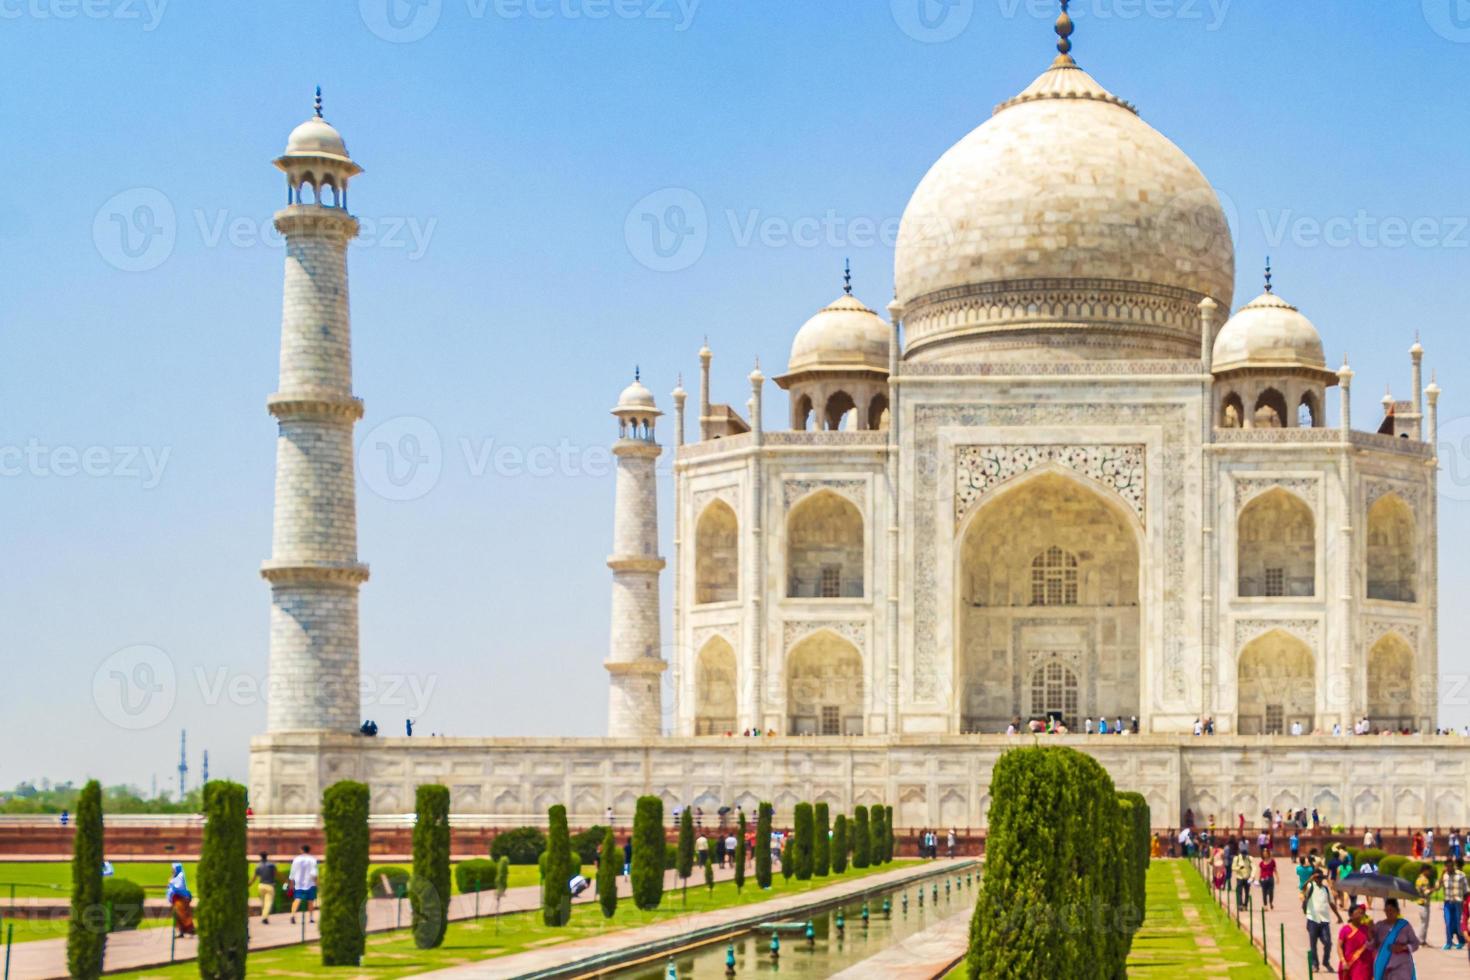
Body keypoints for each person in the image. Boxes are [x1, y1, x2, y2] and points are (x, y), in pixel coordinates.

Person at [1302, 868, 1341, 972]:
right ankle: (1315, 964)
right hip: (1312, 919)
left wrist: (1338, 916)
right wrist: (1310, 880)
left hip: (1324, 920)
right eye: (1317, 878)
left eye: (1320, 878)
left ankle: (1326, 961)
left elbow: (1332, 903)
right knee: (1313, 944)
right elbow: (1303, 888)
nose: (1319, 880)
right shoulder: (1311, 886)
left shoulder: (1325, 889)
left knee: (1328, 943)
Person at [1372, 898, 1421, 979]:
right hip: (1384, 966)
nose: (1389, 913)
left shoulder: (1404, 926)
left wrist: (1403, 948)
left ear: (1398, 911)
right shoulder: (1379, 926)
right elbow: (1372, 946)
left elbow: (1415, 944)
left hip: (1402, 966)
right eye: (1387, 910)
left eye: (1392, 910)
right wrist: (1370, 935)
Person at [1336, 903, 1373, 980]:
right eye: (1358, 912)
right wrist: (1343, 961)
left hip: (1363, 964)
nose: (1360, 914)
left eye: (1361, 913)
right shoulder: (1345, 929)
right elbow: (1339, 946)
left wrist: (1371, 927)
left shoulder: (1366, 928)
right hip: (1349, 963)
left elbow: (1371, 943)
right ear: (1351, 915)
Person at [288, 844, 318, 925]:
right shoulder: (312, 859)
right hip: (310, 883)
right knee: (310, 901)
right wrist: (316, 883)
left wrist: (291, 883)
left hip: (299, 883)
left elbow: (292, 872)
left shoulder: (296, 859)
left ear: (301, 850)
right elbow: (314, 873)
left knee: (297, 899)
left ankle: (293, 915)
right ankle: (311, 918)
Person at [1442, 858, 1468, 949]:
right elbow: (1438, 887)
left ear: (1453, 866)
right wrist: (1441, 875)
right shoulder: (1444, 875)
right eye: (1447, 866)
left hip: (1458, 903)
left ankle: (1461, 941)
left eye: (1450, 866)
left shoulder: (1461, 875)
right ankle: (1449, 942)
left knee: (1458, 923)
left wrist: (1466, 904)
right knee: (1448, 923)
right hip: (1448, 903)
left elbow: (1466, 891)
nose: (1448, 868)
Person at [166, 862, 196, 937]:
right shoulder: (174, 877)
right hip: (176, 900)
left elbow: (178, 887)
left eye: (173, 869)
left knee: (183, 915)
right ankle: (181, 931)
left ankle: (190, 931)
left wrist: (171, 882)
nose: (172, 870)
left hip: (182, 900)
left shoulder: (180, 876)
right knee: (177, 916)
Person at [248, 852, 277, 925]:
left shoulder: (258, 866)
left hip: (261, 885)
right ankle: (264, 917)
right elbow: (277, 874)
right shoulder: (271, 866)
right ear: (267, 857)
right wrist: (285, 881)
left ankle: (264, 916)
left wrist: (249, 884)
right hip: (270, 885)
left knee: (263, 902)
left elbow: (254, 877)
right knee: (268, 902)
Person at [1414, 863, 1434, 946]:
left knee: (1423, 923)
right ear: (1425, 870)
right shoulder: (1424, 880)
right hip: (1424, 903)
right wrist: (1433, 889)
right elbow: (1426, 892)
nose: (1429, 872)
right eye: (1429, 870)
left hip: (1420, 903)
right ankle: (1421, 940)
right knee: (1424, 923)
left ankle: (1422, 940)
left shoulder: (1419, 878)